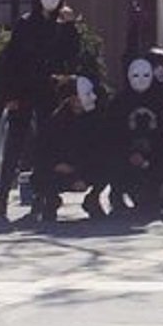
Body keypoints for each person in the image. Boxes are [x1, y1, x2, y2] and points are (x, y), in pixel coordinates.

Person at [0, 0, 81, 222]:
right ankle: (1, 201)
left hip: (48, 92)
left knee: (46, 143)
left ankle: (43, 197)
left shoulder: (60, 26)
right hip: (23, 91)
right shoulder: (25, 23)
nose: (52, 0)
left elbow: (72, 56)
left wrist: (71, 26)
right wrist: (9, 94)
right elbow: (11, 61)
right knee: (15, 144)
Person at [105, 54, 163, 218]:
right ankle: (117, 195)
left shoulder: (161, 101)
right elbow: (112, 134)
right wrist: (129, 153)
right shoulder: (119, 103)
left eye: (146, 75)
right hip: (126, 156)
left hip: (153, 157)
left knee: (148, 202)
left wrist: (151, 158)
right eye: (135, 75)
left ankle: (157, 195)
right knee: (112, 160)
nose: (141, 80)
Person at [30, 75, 107, 222]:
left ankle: (93, 199)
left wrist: (81, 172)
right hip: (61, 170)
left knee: (110, 164)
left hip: (86, 168)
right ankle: (51, 200)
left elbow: (100, 150)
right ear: (72, 99)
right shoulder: (55, 121)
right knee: (39, 176)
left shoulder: (95, 119)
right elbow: (41, 151)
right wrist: (56, 165)